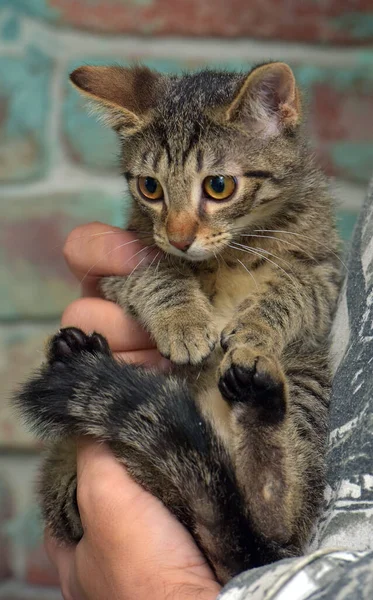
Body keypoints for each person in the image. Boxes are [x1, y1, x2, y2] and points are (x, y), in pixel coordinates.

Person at [48, 180, 373, 599]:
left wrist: (171, 588)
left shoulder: (303, 227)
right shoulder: (160, 237)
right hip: (156, 481)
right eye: (151, 187)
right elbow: (122, 283)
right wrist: (167, 301)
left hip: (243, 522)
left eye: (218, 186)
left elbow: (316, 286)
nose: (178, 231)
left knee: (303, 374)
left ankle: (262, 468)